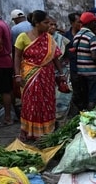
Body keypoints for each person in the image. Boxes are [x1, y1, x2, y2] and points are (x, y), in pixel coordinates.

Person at [13, 10, 64, 142]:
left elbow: (55, 57)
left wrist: (61, 73)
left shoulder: (49, 39)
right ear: (36, 23)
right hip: (29, 76)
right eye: (46, 23)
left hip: (47, 76)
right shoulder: (22, 37)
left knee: (47, 102)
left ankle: (47, 130)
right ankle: (29, 131)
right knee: (31, 104)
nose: (49, 26)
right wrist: (17, 75)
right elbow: (17, 57)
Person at [74, 12, 96, 110]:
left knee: (85, 96)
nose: (95, 25)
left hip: (80, 72)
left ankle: (84, 115)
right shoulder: (91, 36)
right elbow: (94, 56)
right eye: (94, 22)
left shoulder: (77, 36)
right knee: (93, 97)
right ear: (90, 23)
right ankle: (91, 115)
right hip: (91, 72)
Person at [63, 12, 83, 108]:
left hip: (84, 66)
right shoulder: (66, 36)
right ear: (72, 22)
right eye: (78, 22)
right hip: (73, 67)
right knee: (75, 89)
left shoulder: (84, 34)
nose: (80, 24)